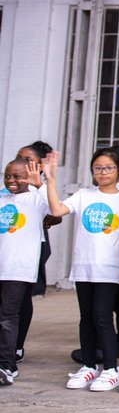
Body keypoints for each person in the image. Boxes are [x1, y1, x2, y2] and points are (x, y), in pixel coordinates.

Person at [43, 148, 119, 391]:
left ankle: (112, 369)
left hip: (109, 267)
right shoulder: (84, 195)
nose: (103, 172)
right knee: (86, 318)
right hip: (84, 266)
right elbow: (57, 210)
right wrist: (50, 179)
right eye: (98, 168)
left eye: (108, 168)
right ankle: (90, 366)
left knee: (102, 316)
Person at [0, 158, 52, 386]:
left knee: (7, 318)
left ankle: (6, 365)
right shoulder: (2, 198)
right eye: (7, 175)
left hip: (18, 269)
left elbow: (55, 209)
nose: (11, 180)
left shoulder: (35, 199)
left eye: (17, 176)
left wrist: (40, 184)